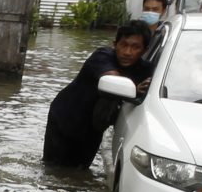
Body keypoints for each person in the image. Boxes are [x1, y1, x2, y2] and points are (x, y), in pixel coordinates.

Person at [42, 19, 153, 169]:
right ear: (115, 44)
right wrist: (134, 89)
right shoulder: (102, 56)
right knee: (52, 168)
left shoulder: (145, 70)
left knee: (80, 170)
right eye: (123, 45)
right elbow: (114, 81)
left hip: (94, 127)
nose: (127, 52)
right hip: (65, 119)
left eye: (135, 47)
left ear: (145, 50)